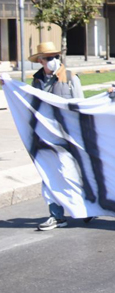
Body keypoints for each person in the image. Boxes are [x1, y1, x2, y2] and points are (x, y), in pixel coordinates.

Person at [26, 43, 85, 231]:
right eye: (48, 58)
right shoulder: (37, 81)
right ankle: (56, 216)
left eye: (54, 57)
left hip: (67, 136)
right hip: (45, 137)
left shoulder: (70, 77)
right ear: (41, 61)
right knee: (49, 175)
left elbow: (80, 106)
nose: (53, 61)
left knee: (72, 175)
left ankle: (87, 208)